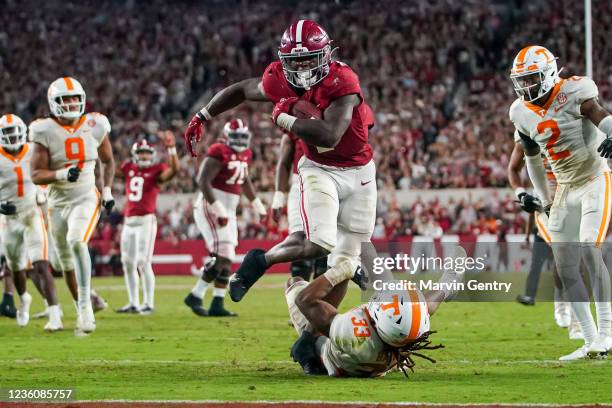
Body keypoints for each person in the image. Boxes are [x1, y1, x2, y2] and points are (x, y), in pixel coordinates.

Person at [184, 20, 376, 303]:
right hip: (318, 169)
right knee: (319, 243)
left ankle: (317, 332)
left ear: (326, 55)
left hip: (360, 172)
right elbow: (241, 90)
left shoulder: (342, 80)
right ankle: (261, 261)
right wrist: (203, 115)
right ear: (284, 61)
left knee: (346, 259)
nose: (303, 69)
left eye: (309, 59)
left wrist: (283, 114)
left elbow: (331, 136)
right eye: (295, 62)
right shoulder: (278, 80)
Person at [509, 45, 612, 360]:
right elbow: (532, 160)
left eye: (532, 78)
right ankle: (589, 340)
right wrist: (544, 197)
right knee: (567, 267)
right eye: (522, 80)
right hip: (564, 187)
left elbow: (599, 114)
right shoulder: (520, 112)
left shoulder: (574, 90)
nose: (526, 86)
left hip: (594, 178)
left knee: (588, 252)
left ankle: (607, 335)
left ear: (549, 72)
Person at [285, 247, 466, 377]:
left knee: (296, 283)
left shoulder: (354, 333)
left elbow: (305, 301)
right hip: (383, 358)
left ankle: (307, 342)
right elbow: (426, 307)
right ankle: (450, 284)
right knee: (421, 307)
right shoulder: (405, 330)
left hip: (330, 355)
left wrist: (345, 269)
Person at [30, 77, 115, 335]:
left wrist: (107, 190)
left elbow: (108, 161)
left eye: (74, 98)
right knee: (64, 262)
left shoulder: (95, 124)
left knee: (77, 240)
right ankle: (83, 306)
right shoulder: (43, 129)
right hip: (57, 201)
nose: (70, 104)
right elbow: (36, 174)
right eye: (64, 99)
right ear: (53, 103)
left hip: (85, 196)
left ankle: (86, 308)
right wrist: (61, 175)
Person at [184, 119, 267, 317]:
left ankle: (212, 302)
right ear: (227, 135)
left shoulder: (245, 154)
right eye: (235, 136)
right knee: (222, 255)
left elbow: (244, 179)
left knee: (227, 256)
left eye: (242, 137)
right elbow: (203, 180)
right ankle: (199, 295)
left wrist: (257, 204)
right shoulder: (218, 150)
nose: (239, 141)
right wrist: (218, 208)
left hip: (228, 209)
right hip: (211, 205)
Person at [508, 140, 583, 339]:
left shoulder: (568, 126)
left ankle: (562, 304)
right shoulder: (527, 129)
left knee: (570, 263)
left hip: (572, 202)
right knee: (565, 261)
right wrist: (521, 194)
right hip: (546, 209)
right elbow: (514, 169)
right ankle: (573, 320)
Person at [0, 114, 62, 330]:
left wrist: (42, 193)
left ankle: (55, 315)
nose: (11, 136)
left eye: (12, 130)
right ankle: (24, 298)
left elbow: (44, 174)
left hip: (31, 213)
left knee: (41, 264)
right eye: (6, 132)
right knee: (16, 268)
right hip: (8, 219)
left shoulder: (33, 151)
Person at [116, 132, 179, 314]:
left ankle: (149, 303)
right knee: (127, 262)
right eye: (141, 152)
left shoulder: (156, 170)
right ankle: (133, 302)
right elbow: (109, 167)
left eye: (147, 153)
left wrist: (171, 149)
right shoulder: (128, 168)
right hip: (128, 221)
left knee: (143, 262)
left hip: (146, 220)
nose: (144, 156)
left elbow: (174, 171)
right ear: (135, 154)